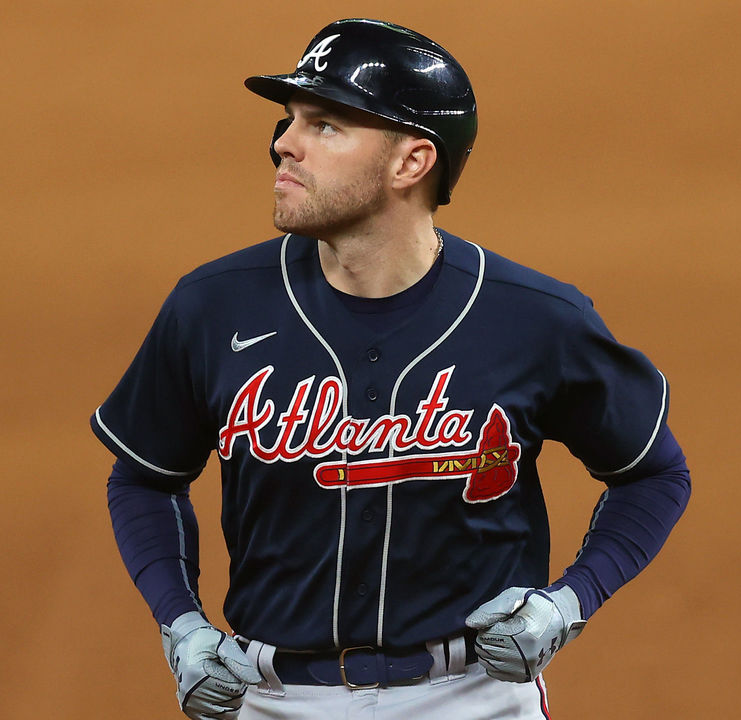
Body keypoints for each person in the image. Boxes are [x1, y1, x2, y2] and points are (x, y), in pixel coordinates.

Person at [91, 18, 691, 720]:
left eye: (326, 125)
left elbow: (653, 471)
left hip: (474, 701)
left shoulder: (535, 320)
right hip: (271, 699)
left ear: (411, 163)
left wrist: (569, 602)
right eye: (290, 120)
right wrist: (181, 623)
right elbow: (144, 476)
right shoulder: (211, 307)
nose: (284, 143)